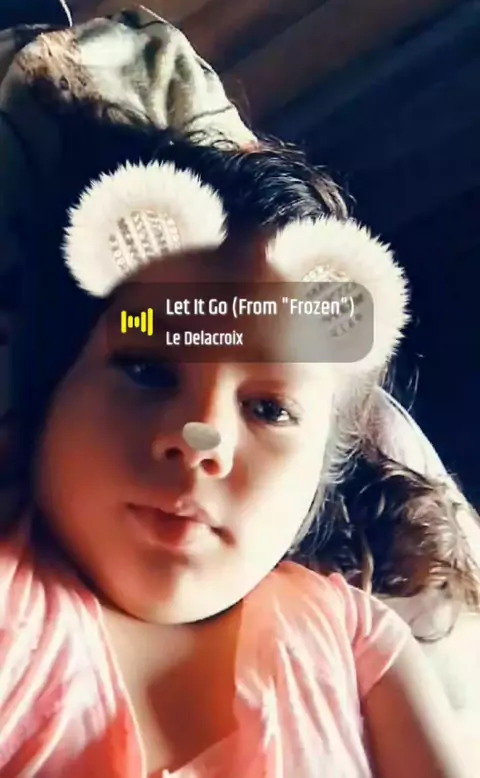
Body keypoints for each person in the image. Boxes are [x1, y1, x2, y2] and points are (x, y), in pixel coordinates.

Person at [0, 98, 477, 778]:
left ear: (321, 477)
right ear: (50, 387)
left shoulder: (355, 643)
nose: (200, 436)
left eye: (269, 409)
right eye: (147, 369)